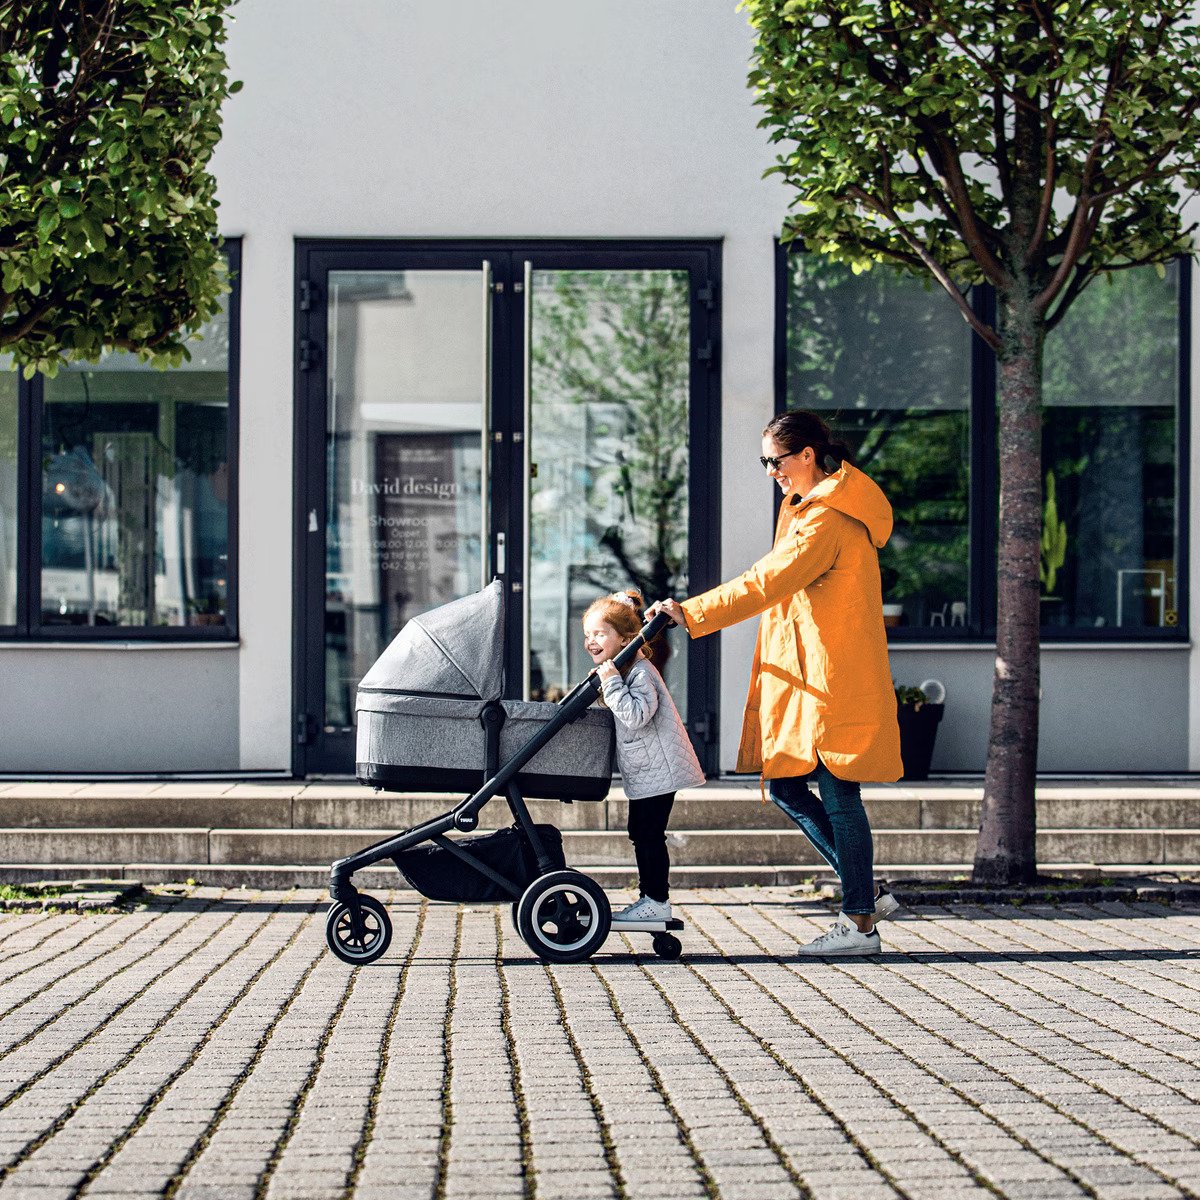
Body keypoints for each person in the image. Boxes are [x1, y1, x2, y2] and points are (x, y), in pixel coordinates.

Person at [647, 410, 903, 956]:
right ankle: (866, 894)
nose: (770, 471)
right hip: (816, 674)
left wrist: (689, 612)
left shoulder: (827, 517)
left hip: (831, 677)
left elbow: (766, 582)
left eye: (776, 460)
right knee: (788, 785)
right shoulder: (808, 507)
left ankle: (860, 921)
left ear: (807, 455)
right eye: (764, 461)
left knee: (838, 791)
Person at [583, 589, 705, 925]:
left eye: (599, 634)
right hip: (649, 770)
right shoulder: (623, 670)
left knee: (648, 833)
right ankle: (650, 899)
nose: (591, 641)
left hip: (659, 769)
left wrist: (611, 684)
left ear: (624, 639)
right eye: (588, 635)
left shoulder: (640, 672)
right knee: (642, 831)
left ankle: (656, 901)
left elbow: (637, 715)